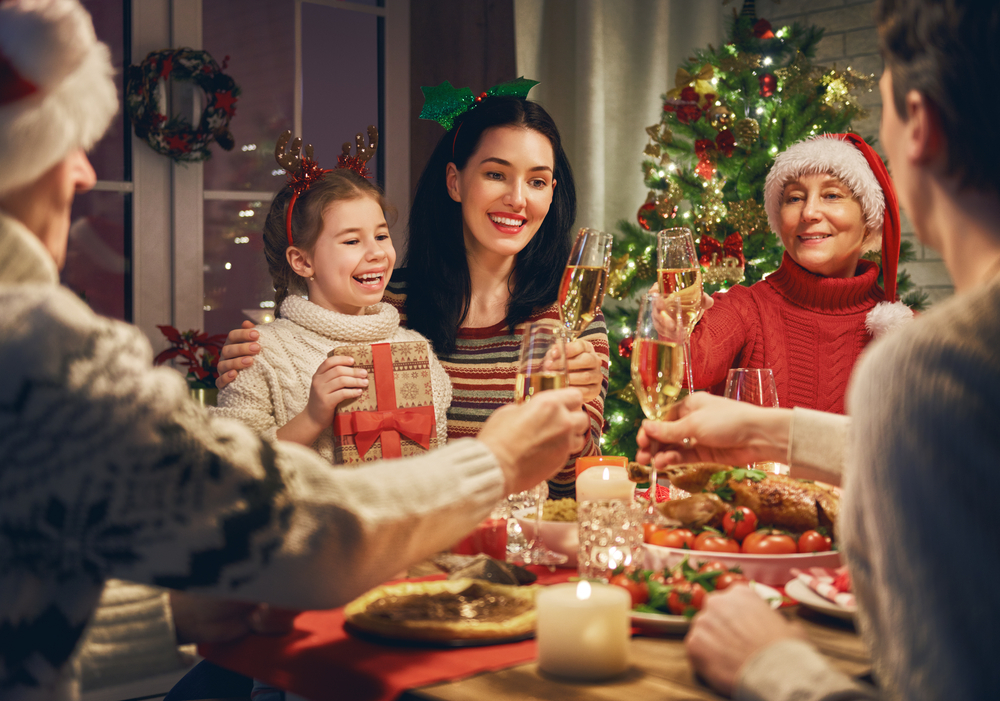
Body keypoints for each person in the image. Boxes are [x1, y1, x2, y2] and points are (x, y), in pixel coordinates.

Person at [0, 2, 590, 699]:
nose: (82, 173)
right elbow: (299, 525)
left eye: (540, 178)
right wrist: (494, 459)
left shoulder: (478, 321)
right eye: (65, 144)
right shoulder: (40, 353)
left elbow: (23, 612)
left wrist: (173, 614)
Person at [639, 0, 1000, 697]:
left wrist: (770, 665)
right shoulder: (760, 306)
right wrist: (761, 424)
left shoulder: (924, 360)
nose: (812, 213)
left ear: (917, 127)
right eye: (796, 198)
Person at [218, 89, 609, 499]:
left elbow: (571, 480)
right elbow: (304, 345)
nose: (517, 198)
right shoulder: (380, 301)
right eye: (496, 174)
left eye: (537, 181)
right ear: (455, 182)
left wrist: (574, 414)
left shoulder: (570, 317)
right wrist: (250, 356)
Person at [213, 162, 451, 464]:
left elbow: (436, 462)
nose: (376, 253)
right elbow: (229, 465)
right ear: (302, 261)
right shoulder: (261, 353)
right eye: (352, 241)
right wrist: (312, 418)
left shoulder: (417, 350)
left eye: (381, 236)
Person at [688, 133, 912, 414]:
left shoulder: (905, 334)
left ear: (868, 220)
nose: (809, 212)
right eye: (794, 198)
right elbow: (692, 363)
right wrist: (672, 328)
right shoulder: (746, 309)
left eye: (832, 195)